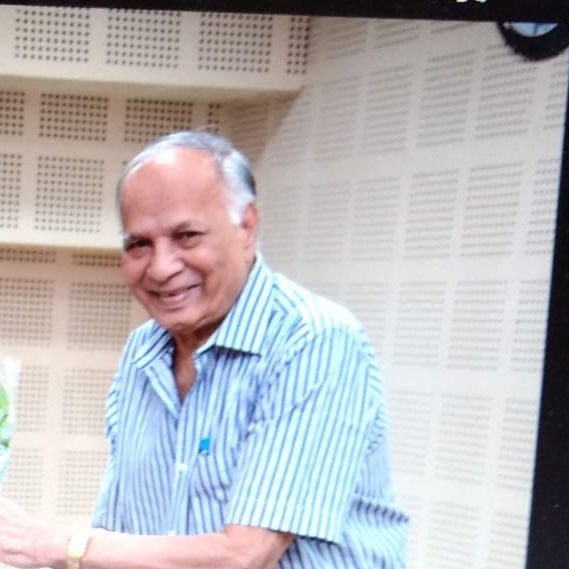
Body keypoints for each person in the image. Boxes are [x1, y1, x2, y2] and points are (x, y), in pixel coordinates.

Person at [0, 131, 408, 569]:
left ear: (247, 226)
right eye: (139, 244)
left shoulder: (315, 340)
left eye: (187, 236)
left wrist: (54, 544)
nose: (161, 267)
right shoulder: (143, 351)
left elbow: (245, 556)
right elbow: (121, 540)